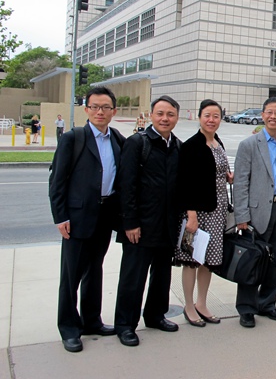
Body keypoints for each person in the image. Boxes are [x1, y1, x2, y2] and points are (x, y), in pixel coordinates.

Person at [48, 87, 125, 353]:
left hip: (104, 215)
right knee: (71, 276)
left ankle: (92, 321)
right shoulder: (73, 138)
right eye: (95, 107)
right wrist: (60, 216)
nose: (100, 112)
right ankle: (69, 328)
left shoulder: (117, 139)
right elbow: (57, 181)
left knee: (95, 270)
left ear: (113, 111)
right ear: (86, 110)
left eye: (105, 107)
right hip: (77, 218)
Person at [114, 96, 182, 346]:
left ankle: (155, 315)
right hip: (140, 227)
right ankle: (125, 325)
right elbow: (126, 185)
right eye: (160, 113)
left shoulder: (177, 146)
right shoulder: (137, 143)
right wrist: (130, 222)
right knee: (133, 278)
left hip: (167, 225)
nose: (165, 118)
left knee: (162, 276)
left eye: (170, 114)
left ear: (177, 117)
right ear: (151, 115)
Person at [233, 97, 276, 328]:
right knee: (252, 261)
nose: (273, 116)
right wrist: (242, 216)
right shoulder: (249, 145)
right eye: (269, 112)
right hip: (257, 212)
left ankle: (267, 303)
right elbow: (240, 182)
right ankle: (246, 309)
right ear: (262, 115)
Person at [174, 99, 233, 327]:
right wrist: (191, 215)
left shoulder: (218, 142)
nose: (211, 120)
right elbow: (185, 183)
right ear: (199, 117)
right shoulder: (191, 146)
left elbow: (216, 171)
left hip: (217, 212)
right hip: (197, 214)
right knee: (192, 260)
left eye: (216, 116)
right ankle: (189, 306)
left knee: (209, 261)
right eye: (207, 115)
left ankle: (202, 303)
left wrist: (228, 177)